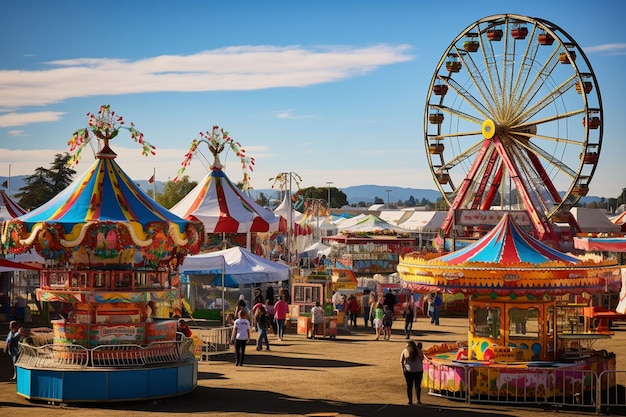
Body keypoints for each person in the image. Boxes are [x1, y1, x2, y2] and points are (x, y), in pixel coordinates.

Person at [400, 340, 425, 405]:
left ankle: (410, 401)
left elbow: (401, 361)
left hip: (409, 371)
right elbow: (422, 358)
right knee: (417, 386)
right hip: (418, 370)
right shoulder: (418, 350)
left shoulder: (405, 351)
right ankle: (418, 400)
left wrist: (403, 370)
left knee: (409, 386)